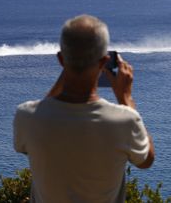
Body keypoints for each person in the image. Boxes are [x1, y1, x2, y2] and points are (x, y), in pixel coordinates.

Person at [13, 14, 155, 203]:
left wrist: (71, 66)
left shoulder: (27, 117)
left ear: (61, 60)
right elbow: (146, 161)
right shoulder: (125, 120)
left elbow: (41, 115)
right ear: (104, 63)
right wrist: (125, 98)